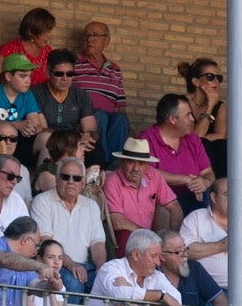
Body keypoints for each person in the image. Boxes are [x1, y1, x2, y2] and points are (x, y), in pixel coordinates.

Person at [31, 151, 106, 292]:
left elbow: (98, 244)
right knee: (74, 283)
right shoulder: (42, 201)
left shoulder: (91, 206)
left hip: (85, 266)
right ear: (57, 178)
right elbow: (45, 242)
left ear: (83, 183)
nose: (71, 182)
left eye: (76, 178)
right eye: (66, 177)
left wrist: (101, 269)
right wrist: (71, 264)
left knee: (105, 284)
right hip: (56, 266)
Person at [103, 139, 183, 249]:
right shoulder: (112, 181)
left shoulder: (154, 175)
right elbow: (117, 222)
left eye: (141, 163)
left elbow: (175, 208)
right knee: (127, 235)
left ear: (148, 165)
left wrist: (171, 238)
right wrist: (149, 236)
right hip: (125, 241)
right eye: (130, 162)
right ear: (122, 162)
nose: (136, 168)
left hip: (149, 240)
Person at [71, 23, 128, 160]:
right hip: (84, 115)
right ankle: (101, 160)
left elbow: (120, 107)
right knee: (100, 116)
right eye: (86, 35)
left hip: (109, 117)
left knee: (121, 119)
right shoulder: (74, 63)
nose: (89, 39)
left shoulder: (114, 69)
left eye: (95, 35)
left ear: (106, 41)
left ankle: (115, 163)